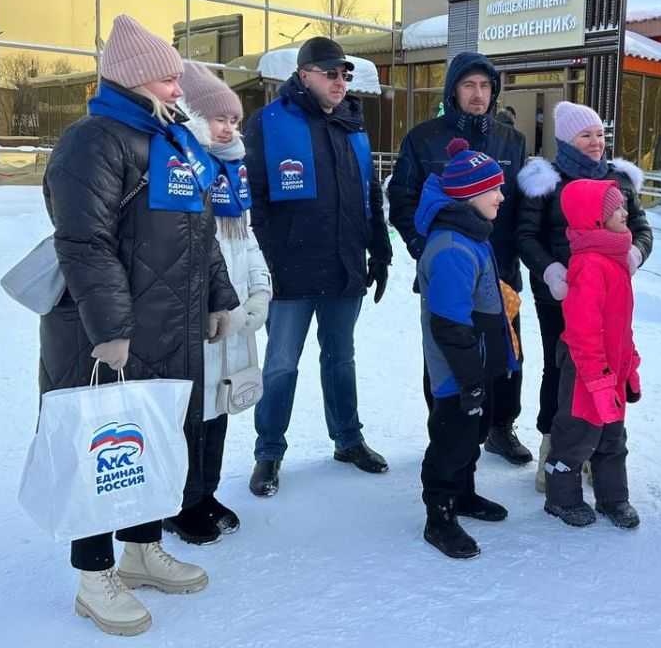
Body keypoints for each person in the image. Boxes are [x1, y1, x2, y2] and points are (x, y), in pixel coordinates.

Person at [40, 14, 239, 636]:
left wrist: (218, 296)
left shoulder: (174, 141)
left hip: (172, 327)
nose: (179, 89)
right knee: (103, 449)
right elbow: (84, 243)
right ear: (132, 79)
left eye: (177, 78)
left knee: (155, 442)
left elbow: (201, 231)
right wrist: (111, 329)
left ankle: (141, 549)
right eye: (166, 78)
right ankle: (93, 575)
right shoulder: (92, 142)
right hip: (108, 336)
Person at [243, 37, 393, 496]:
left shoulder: (353, 126)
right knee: (281, 365)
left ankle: (348, 439)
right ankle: (268, 452)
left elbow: (371, 196)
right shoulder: (269, 123)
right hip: (291, 271)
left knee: (340, 359)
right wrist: (270, 262)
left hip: (345, 267)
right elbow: (258, 202)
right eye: (330, 72)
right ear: (304, 74)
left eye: (345, 74)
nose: (340, 81)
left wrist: (380, 251)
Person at [389, 51, 532, 465]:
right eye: (469, 85)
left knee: (506, 354)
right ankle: (445, 428)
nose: (478, 94)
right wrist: (426, 248)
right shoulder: (423, 138)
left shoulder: (512, 141)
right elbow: (401, 199)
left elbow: (521, 206)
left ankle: (501, 428)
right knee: (447, 352)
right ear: (453, 90)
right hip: (448, 271)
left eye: (486, 86)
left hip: (500, 270)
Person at [517, 101, 651, 492]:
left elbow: (641, 227)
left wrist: (636, 253)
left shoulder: (619, 180)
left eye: (599, 135)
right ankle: (553, 449)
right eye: (586, 135)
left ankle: (596, 448)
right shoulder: (546, 181)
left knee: (607, 366)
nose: (595, 143)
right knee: (561, 371)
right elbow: (526, 235)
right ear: (565, 139)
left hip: (609, 297)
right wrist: (550, 270)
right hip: (559, 296)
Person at [163, 60, 272, 543]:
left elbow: (245, 240)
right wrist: (216, 303)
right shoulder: (183, 167)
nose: (228, 127)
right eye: (217, 117)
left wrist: (260, 290)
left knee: (221, 406)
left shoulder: (232, 171)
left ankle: (206, 492)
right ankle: (180, 503)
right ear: (189, 113)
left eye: (233, 119)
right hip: (199, 314)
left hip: (232, 314)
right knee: (191, 413)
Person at [416, 138, 516, 559]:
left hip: (475, 363)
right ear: (469, 194)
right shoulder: (454, 248)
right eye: (493, 188)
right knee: (452, 441)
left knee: (472, 434)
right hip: (457, 371)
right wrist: (470, 380)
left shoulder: (471, 231)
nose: (501, 195)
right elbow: (450, 324)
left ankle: (464, 494)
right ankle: (439, 516)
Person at [543, 179, 642, 530]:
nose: (624, 212)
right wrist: (598, 379)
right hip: (586, 372)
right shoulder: (590, 264)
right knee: (576, 435)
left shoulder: (615, 259)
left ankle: (613, 497)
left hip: (612, 369)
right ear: (595, 219)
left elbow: (621, 324)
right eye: (615, 208)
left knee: (613, 438)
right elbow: (584, 331)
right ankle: (561, 497)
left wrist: (629, 365)